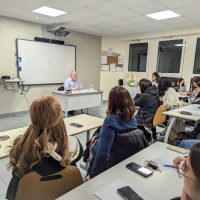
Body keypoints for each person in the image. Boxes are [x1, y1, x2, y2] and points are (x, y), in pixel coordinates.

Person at [6, 96, 82, 200]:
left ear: (32, 118)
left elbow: (16, 176)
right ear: (61, 117)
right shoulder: (74, 145)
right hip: (64, 194)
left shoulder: (21, 145)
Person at [86, 86, 148, 179]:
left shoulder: (110, 120)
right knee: (97, 135)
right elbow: (120, 131)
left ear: (112, 102)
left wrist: (92, 175)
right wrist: (100, 135)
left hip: (112, 157)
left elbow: (103, 153)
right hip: (124, 154)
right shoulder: (132, 117)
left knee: (91, 145)